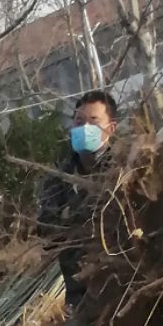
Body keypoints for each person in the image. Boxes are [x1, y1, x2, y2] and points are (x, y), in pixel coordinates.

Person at [37, 89, 119, 303]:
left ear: (110, 128)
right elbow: (46, 235)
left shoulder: (123, 169)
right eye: (79, 121)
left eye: (93, 121)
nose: (85, 128)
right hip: (79, 293)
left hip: (122, 285)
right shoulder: (59, 178)